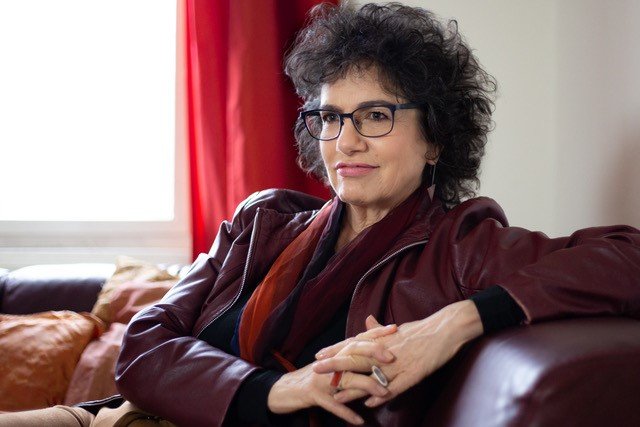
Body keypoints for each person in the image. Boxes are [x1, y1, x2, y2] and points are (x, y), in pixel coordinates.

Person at [1, 3, 639, 427]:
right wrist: (276, 390)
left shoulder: (461, 244)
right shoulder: (263, 222)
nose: (347, 141)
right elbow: (143, 348)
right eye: (331, 117)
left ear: (437, 138)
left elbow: (629, 255)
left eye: (376, 116)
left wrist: (456, 322)